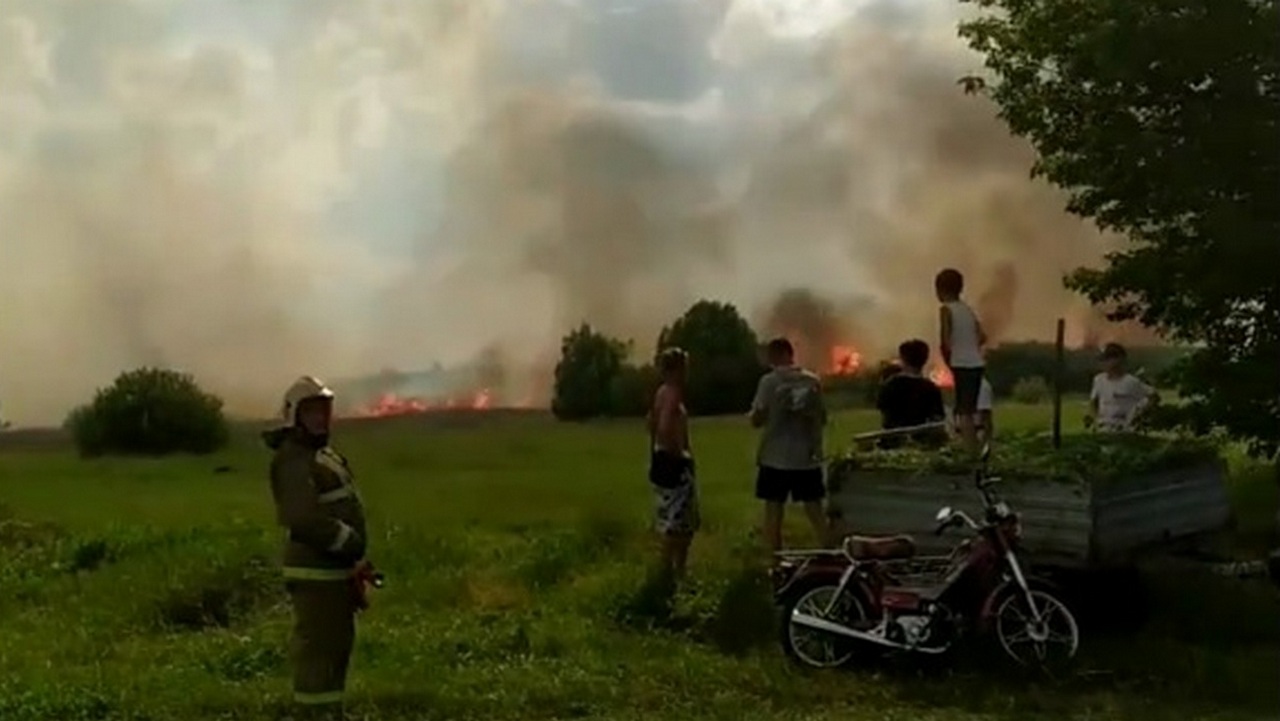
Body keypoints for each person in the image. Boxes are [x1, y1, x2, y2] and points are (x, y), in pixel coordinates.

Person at [264, 375, 374, 720]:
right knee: (319, 654)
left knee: (336, 649)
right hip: (316, 573)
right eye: (311, 412)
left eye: (324, 411)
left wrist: (353, 560)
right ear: (293, 416)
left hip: (334, 571)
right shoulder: (294, 459)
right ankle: (314, 715)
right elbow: (303, 518)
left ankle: (330, 713)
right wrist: (348, 543)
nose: (320, 418)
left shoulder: (321, 455)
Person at [749, 338, 830, 552]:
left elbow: (757, 419)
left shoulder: (769, 382)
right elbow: (821, 418)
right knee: (816, 511)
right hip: (806, 457)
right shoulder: (812, 381)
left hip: (775, 457)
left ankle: (776, 561)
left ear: (776, 355)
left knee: (774, 512)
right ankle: (831, 552)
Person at [647, 348, 699, 579]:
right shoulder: (673, 394)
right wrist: (681, 454)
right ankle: (672, 570)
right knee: (681, 522)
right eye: (684, 367)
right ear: (676, 369)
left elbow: (650, 423)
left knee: (672, 518)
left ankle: (673, 569)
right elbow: (665, 426)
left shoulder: (661, 392)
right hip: (674, 461)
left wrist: (657, 448)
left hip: (661, 458)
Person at [935, 268, 987, 451]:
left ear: (940, 289)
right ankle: (978, 445)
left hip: (961, 363)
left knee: (964, 411)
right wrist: (971, 348)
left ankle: (970, 450)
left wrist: (949, 360)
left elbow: (945, 340)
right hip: (977, 363)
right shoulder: (968, 310)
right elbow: (982, 337)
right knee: (970, 408)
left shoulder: (946, 310)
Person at [876, 339, 948, 449]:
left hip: (892, 441)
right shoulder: (931, 388)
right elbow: (937, 417)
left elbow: (882, 407)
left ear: (903, 359)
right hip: (920, 441)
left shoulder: (891, 384)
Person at [1085, 343, 1159, 432]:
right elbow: (1093, 401)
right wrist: (1093, 419)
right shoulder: (1099, 380)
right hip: (1103, 427)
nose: (1104, 363)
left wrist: (1140, 412)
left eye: (1107, 359)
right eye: (1103, 360)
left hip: (1124, 429)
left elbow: (1154, 396)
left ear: (1119, 359)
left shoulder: (1131, 381)